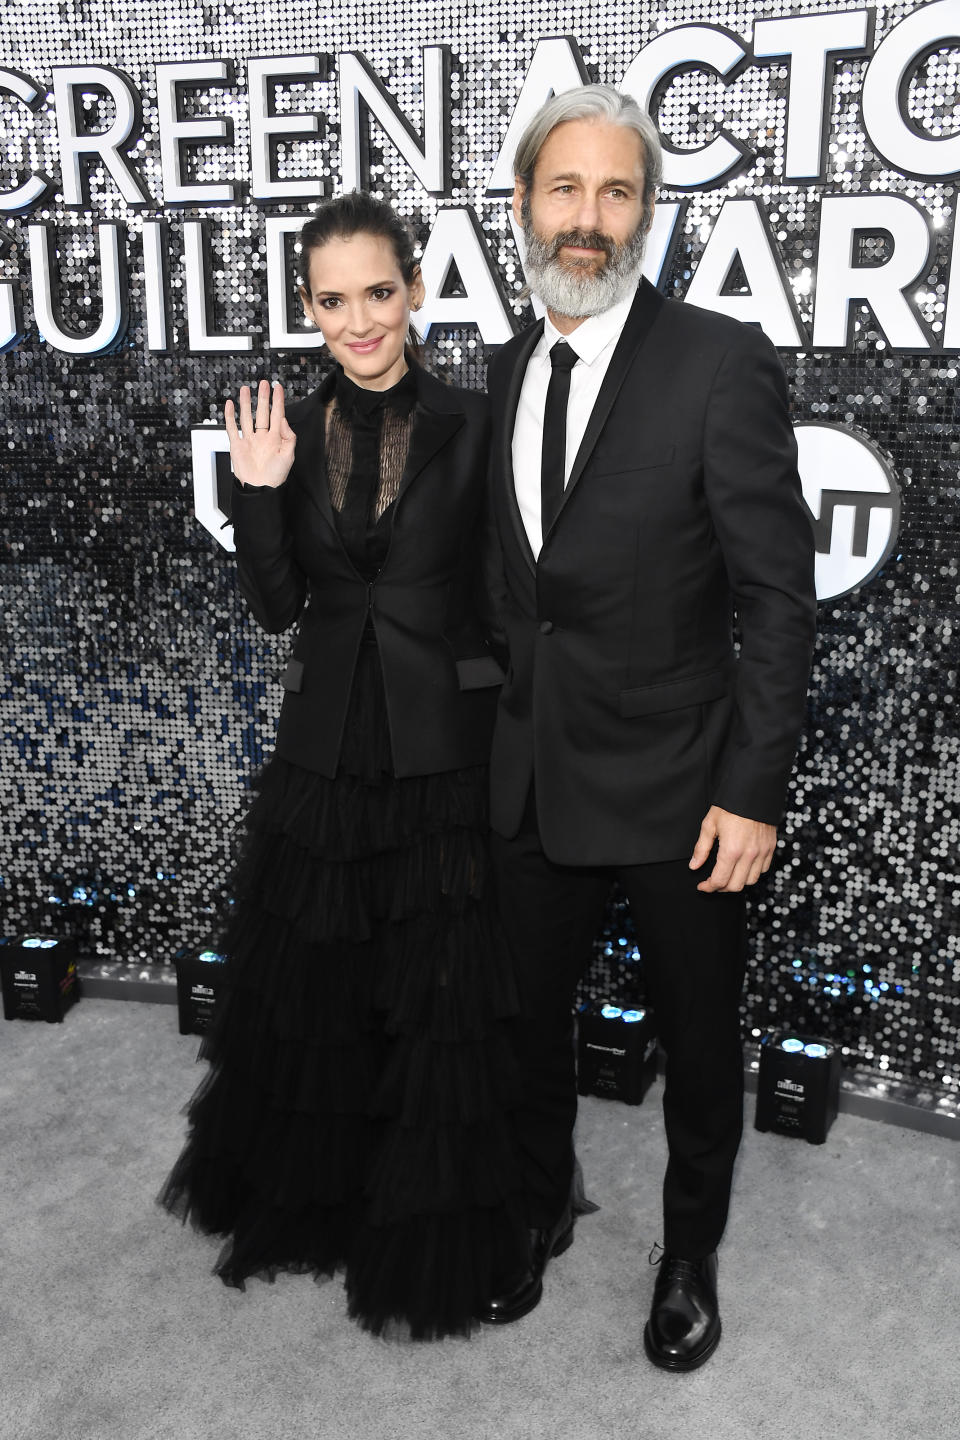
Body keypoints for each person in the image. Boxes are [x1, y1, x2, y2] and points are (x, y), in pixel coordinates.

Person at [476, 85, 817, 1369]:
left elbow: (778, 600)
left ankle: (688, 1252)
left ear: (648, 213)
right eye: (565, 189)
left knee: (700, 1032)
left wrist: (754, 789)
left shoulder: (718, 362)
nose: (588, 218)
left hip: (683, 789)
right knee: (523, 1021)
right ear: (523, 205)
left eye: (617, 192)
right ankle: (540, 1204)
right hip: (530, 779)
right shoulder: (507, 362)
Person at [159, 191, 528, 1339]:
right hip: (325, 751)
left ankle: (425, 1215)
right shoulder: (283, 428)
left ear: (414, 292)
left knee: (437, 999)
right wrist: (258, 490)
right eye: (333, 301)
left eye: (379, 292)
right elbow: (278, 609)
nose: (359, 321)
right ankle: (325, 1198)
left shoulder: (478, 420)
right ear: (309, 310)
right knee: (321, 992)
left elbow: (509, 594)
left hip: (442, 754)